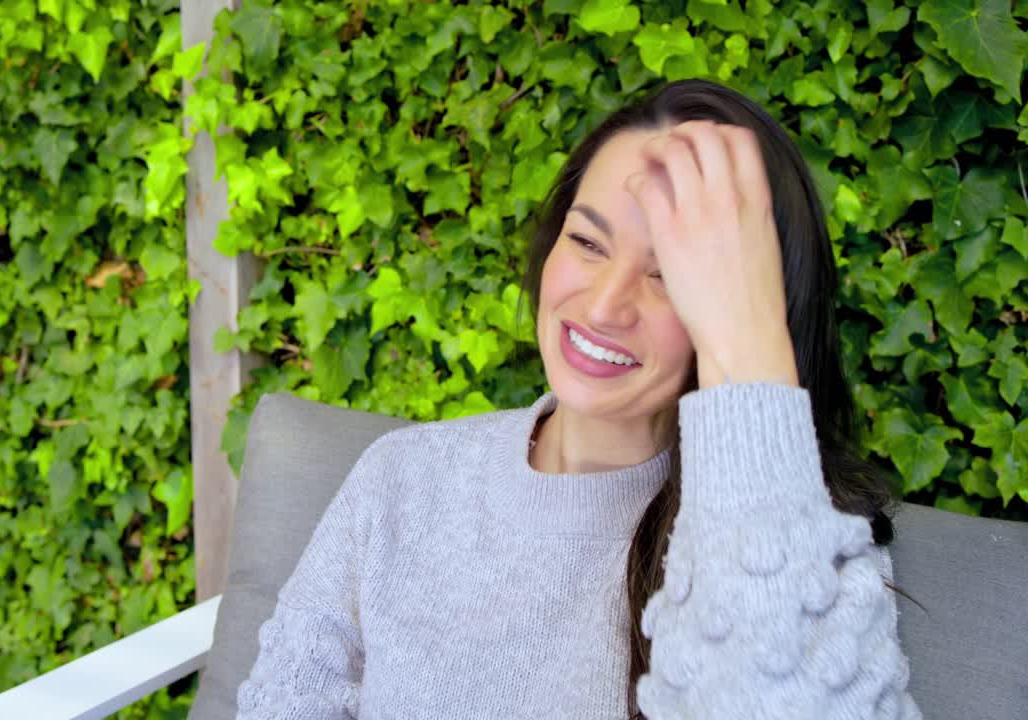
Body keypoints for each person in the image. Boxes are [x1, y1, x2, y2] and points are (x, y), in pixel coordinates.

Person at [236, 79, 920, 719]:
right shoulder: (402, 478)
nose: (603, 305)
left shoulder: (807, 551)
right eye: (587, 241)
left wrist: (748, 353)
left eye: (671, 276)